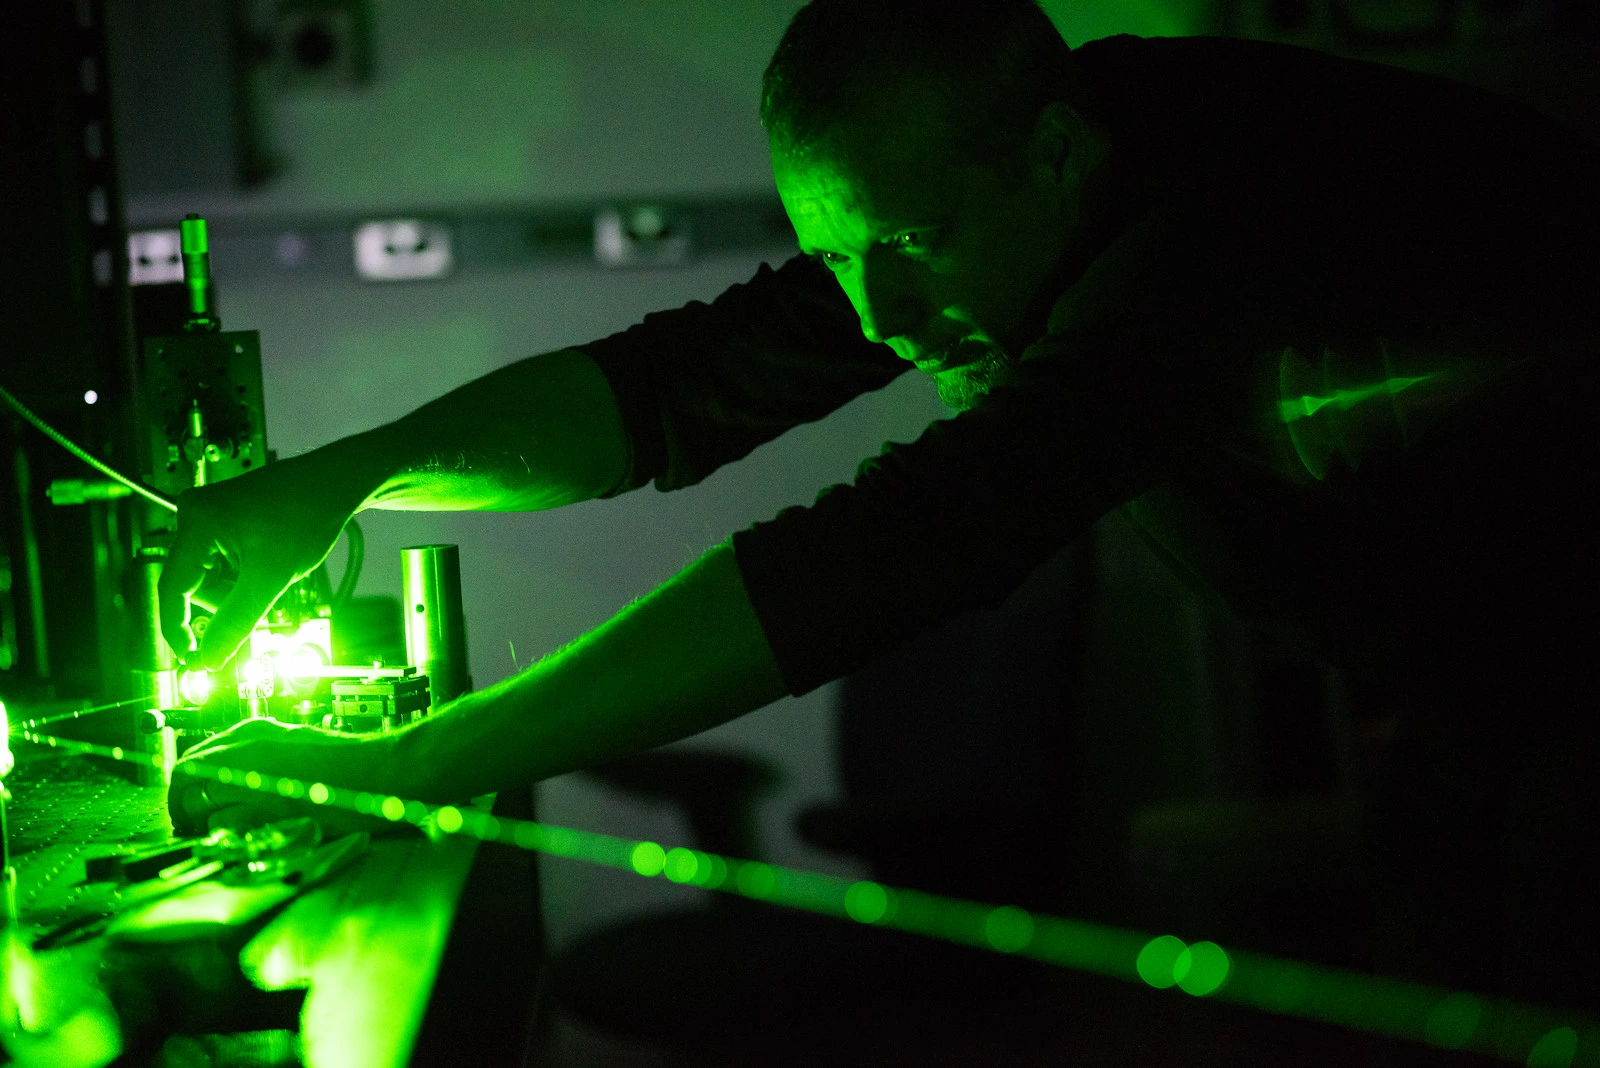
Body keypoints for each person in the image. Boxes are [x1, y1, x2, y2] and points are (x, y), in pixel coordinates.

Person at [163, 0, 1598, 1004]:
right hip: (1478, 690)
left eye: (906, 245)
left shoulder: (1203, 239)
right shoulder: (976, 198)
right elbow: (674, 388)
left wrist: (426, 760)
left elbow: (885, 552)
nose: (883, 312)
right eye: (838, 255)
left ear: (1055, 158)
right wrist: (335, 480)